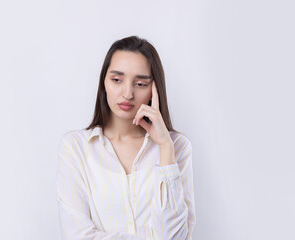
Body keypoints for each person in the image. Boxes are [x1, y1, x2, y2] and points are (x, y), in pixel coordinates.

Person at [56, 36, 195, 240]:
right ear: (104, 82)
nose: (127, 93)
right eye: (117, 80)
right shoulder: (76, 147)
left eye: (140, 83)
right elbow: (77, 236)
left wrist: (165, 147)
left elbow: (176, 236)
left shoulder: (177, 147)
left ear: (154, 89)